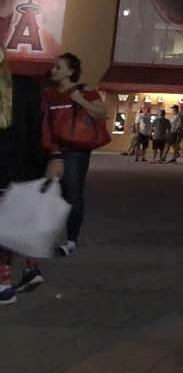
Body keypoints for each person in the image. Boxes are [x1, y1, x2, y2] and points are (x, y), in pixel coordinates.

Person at [0, 49, 63, 304]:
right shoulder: (26, 87)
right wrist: (54, 155)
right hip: (20, 169)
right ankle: (22, 270)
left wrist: (54, 155)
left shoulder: (24, 87)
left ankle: (6, 281)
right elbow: (43, 127)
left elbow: (42, 126)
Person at [43, 52, 107, 258]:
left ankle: (71, 240)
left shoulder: (85, 91)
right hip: (52, 149)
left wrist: (80, 100)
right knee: (49, 193)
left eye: (58, 67)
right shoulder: (48, 93)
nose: (53, 70)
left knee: (72, 195)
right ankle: (43, 236)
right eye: (53, 67)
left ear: (70, 71)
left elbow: (101, 113)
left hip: (76, 151)